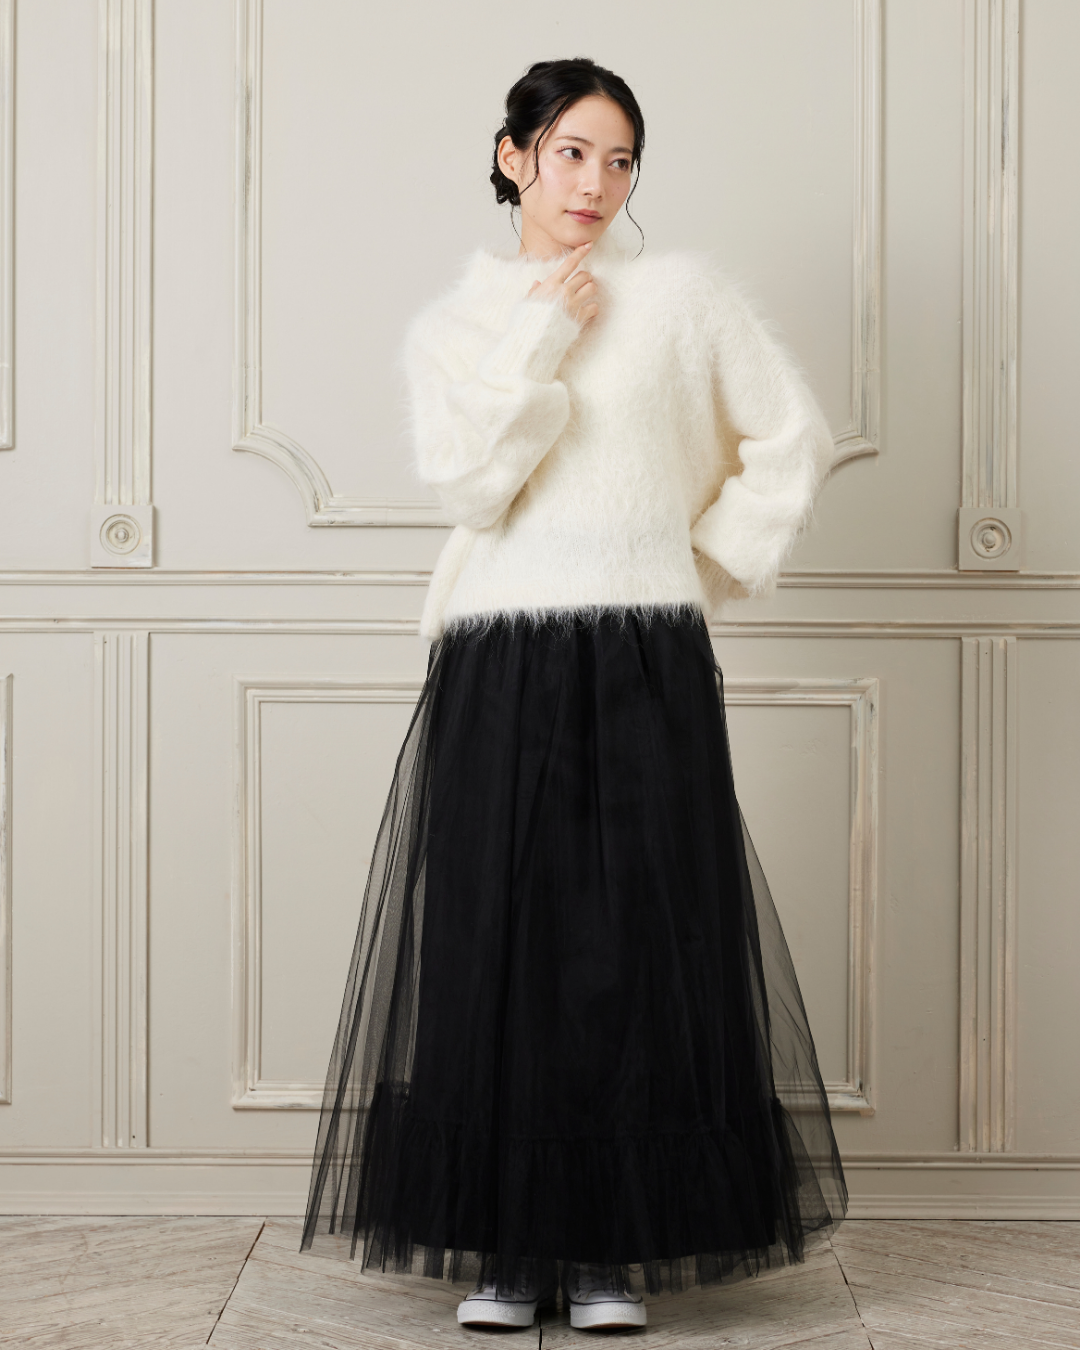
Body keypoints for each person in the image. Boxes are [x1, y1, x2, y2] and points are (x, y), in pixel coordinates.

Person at [300, 56, 848, 1334]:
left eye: (619, 159)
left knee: (633, 950)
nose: (595, 182)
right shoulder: (456, 326)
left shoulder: (688, 300)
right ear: (514, 159)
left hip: (643, 651)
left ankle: (609, 1248)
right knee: (491, 944)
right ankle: (506, 1248)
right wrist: (546, 329)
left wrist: (690, 572)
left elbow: (793, 442)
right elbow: (475, 485)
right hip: (498, 653)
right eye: (569, 153)